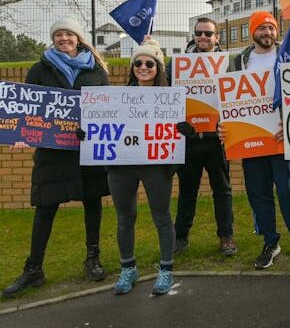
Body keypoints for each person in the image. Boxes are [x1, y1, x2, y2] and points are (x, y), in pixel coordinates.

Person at [3, 17, 110, 298]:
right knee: (45, 206)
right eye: (59, 34)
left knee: (93, 201)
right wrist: (21, 135)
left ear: (78, 38)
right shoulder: (40, 69)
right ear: (53, 39)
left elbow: (109, 107)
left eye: (69, 34)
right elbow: (28, 107)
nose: (64, 38)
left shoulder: (97, 70)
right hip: (52, 152)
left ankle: (93, 258)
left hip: (86, 149)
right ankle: (34, 268)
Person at [222, 11, 290, 273]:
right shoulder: (239, 62)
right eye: (262, 28)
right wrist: (224, 125)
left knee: (289, 194)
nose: (267, 33)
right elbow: (228, 101)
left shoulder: (287, 56)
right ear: (253, 32)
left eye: (271, 28)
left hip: (281, 140)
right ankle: (270, 243)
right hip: (250, 141)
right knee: (259, 195)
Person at [105, 38, 178, 295]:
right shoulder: (115, 98)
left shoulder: (170, 98)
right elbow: (101, 125)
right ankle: (128, 269)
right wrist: (88, 135)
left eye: (149, 63)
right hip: (121, 165)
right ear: (132, 66)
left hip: (155, 166)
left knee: (161, 217)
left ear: (158, 67)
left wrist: (183, 131)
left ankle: (166, 270)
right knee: (125, 218)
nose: (143, 67)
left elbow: (178, 132)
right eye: (138, 62)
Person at [170, 17, 236, 257]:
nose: (203, 38)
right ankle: (180, 236)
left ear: (217, 37)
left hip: (217, 139)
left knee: (223, 189)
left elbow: (237, 97)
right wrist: (180, 122)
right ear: (194, 36)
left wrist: (227, 120)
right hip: (188, 140)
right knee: (187, 190)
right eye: (199, 33)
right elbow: (168, 98)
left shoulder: (228, 64)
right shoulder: (177, 65)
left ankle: (226, 236)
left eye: (209, 34)